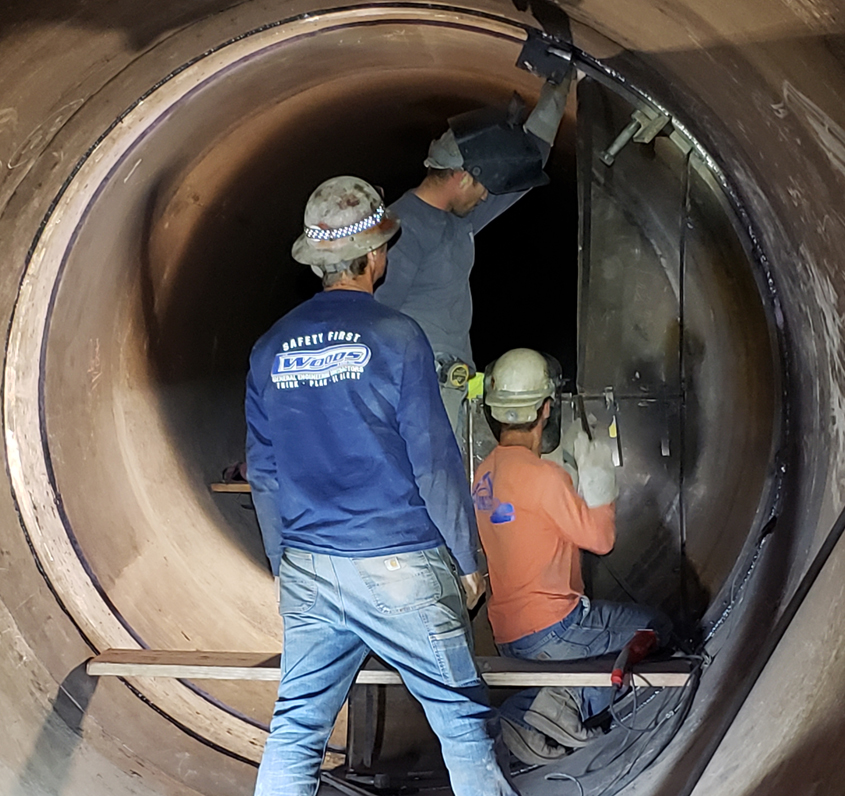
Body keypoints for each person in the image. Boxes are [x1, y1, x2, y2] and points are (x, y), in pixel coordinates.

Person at [245, 176, 515, 796]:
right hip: (398, 562)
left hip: (311, 564)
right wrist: (468, 560)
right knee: (463, 729)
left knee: (295, 732)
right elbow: (433, 460)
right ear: (374, 257)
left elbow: (263, 470)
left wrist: (282, 561)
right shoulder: (397, 337)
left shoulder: (268, 349)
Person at [471, 348, 671, 763]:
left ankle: (543, 700)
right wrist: (599, 484)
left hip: (508, 634)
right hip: (556, 628)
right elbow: (600, 540)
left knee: (605, 640)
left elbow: (524, 521)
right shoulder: (546, 477)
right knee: (655, 628)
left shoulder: (485, 472)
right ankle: (554, 707)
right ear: (546, 409)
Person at [375, 74, 574, 431]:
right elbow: (372, 323)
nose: (486, 197)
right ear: (463, 177)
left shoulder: (455, 219)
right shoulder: (403, 230)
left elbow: (529, 167)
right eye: (483, 187)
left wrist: (556, 89)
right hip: (417, 398)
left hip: (454, 387)